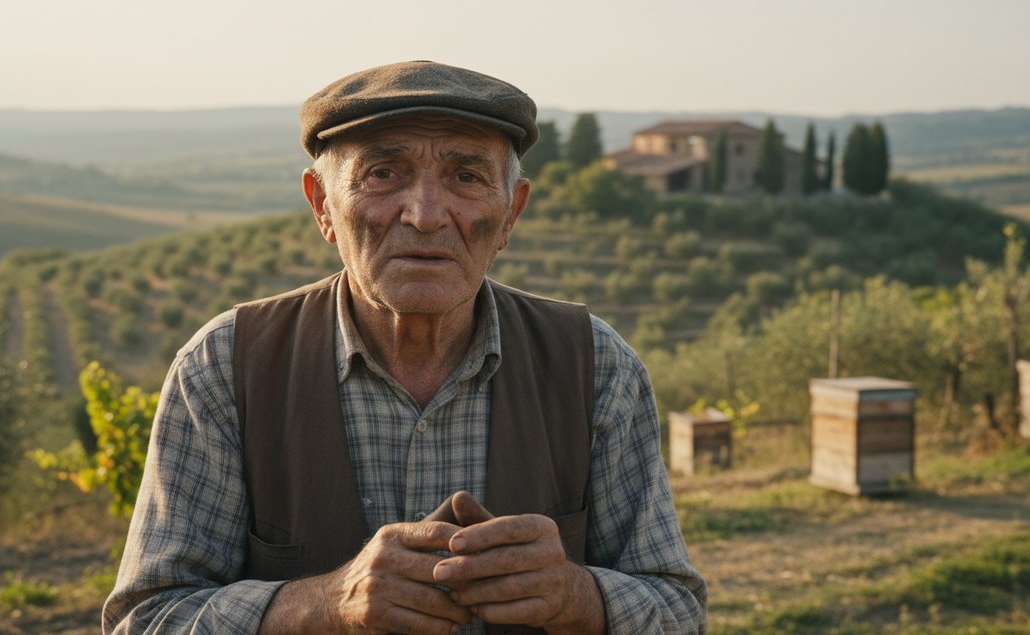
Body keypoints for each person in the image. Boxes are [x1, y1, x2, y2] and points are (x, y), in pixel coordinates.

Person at [103, 60, 706, 634]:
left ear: (510, 216)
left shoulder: (595, 367)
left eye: (466, 177)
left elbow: (678, 610)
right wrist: (326, 603)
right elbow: (147, 619)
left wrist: (578, 597)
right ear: (323, 207)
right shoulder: (225, 367)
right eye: (382, 174)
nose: (424, 215)